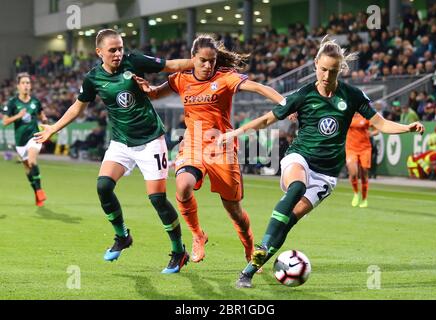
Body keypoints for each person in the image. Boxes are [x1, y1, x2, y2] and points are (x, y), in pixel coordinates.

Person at [217, 35, 424, 288]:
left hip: (326, 175)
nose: (327, 76)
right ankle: (261, 246)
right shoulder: (303, 94)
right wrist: (236, 132)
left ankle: (247, 272)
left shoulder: (353, 95)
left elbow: (380, 123)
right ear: (316, 64)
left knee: (288, 223)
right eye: (323, 69)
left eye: (333, 71)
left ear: (340, 70)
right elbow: (267, 119)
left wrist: (407, 128)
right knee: (297, 187)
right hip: (299, 157)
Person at [35, 29, 194, 274]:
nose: (118, 53)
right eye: (112, 50)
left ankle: (178, 251)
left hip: (151, 140)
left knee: (157, 199)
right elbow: (77, 108)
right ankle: (122, 236)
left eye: (120, 48)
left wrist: (202, 61)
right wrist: (53, 129)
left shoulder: (134, 61)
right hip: (121, 143)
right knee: (103, 187)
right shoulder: (93, 78)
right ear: (99, 52)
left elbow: (172, 65)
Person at [133, 34, 285, 264]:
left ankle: (250, 248)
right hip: (193, 144)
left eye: (212, 61)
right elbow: (155, 93)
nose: (207, 65)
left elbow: (259, 87)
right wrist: (146, 88)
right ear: (192, 58)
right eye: (202, 60)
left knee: (234, 210)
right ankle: (198, 235)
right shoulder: (180, 79)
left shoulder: (225, 78)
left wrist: (285, 103)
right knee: (183, 186)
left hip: (221, 148)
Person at [2, 72, 48, 207]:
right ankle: (36, 193)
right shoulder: (12, 102)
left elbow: (41, 114)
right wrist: (18, 116)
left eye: (28, 83)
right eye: (23, 83)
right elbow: (5, 121)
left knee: (32, 160)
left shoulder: (35, 101)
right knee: (27, 168)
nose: (26, 85)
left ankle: (39, 190)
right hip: (20, 141)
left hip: (34, 137)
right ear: (18, 86)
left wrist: (45, 121)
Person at [345, 113, 378, 208]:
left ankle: (364, 199)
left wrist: (371, 133)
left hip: (365, 149)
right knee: (353, 173)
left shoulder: (366, 116)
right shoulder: (348, 114)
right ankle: (356, 193)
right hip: (351, 148)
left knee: (364, 174)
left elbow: (377, 129)